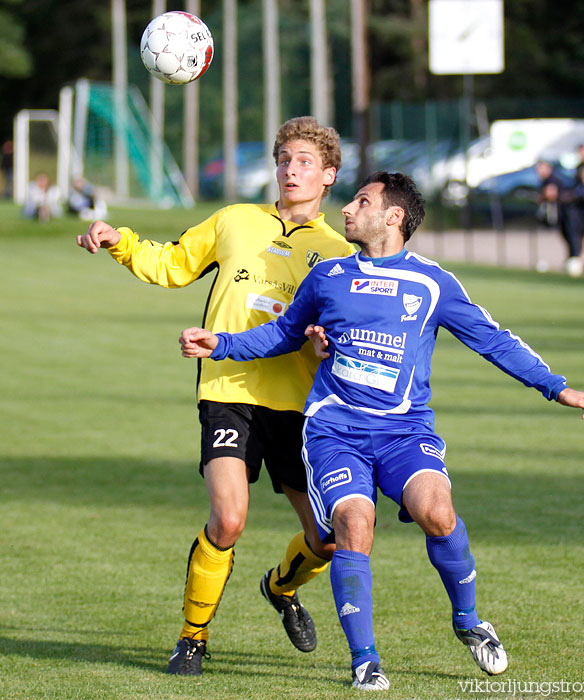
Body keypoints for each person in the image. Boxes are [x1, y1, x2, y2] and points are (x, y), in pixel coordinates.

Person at [179, 171, 584, 691]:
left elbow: (494, 340)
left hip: (405, 432)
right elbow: (284, 334)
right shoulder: (328, 275)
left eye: (362, 201)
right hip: (335, 431)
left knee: (439, 513)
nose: (348, 209)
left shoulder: (431, 283)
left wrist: (556, 387)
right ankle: (365, 660)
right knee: (354, 526)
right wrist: (219, 344)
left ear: (393, 217)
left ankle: (470, 624)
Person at [76, 116, 356, 676]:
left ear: (328, 175)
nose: (290, 168)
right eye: (283, 158)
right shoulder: (235, 221)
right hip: (228, 389)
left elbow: (346, 332)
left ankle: (280, 588)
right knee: (228, 520)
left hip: (302, 406)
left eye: (304, 161)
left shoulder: (339, 250)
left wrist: (329, 345)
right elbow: (174, 263)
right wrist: (120, 241)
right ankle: (192, 638)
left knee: (326, 539)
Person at [535, 160, 579, 275]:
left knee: (572, 236)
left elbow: (551, 194)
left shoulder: (552, 179)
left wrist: (542, 196)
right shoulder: (545, 180)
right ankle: (571, 259)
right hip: (562, 213)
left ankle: (575, 259)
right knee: (566, 236)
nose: (539, 172)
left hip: (568, 212)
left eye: (541, 168)